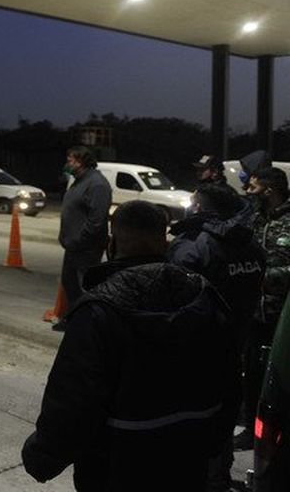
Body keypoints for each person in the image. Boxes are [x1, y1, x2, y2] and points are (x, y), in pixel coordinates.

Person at [22, 201, 239, 491]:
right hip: (187, 468)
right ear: (164, 243)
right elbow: (230, 384)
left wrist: (42, 456)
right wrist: (210, 444)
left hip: (114, 471)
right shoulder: (204, 297)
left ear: (111, 245)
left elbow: (72, 402)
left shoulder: (98, 310)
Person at [167, 182, 265, 489]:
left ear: (204, 210)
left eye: (194, 204)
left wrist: (184, 235)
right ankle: (218, 477)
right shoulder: (250, 245)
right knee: (222, 416)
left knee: (192, 418)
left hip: (197, 348)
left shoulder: (199, 245)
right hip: (234, 342)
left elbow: (177, 287)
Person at [240, 166, 290, 449]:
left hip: (283, 314)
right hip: (255, 312)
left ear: (270, 189)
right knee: (253, 373)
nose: (249, 192)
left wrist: (268, 278)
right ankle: (251, 430)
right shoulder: (255, 217)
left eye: (254, 188)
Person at [54, 146, 112, 329]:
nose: (67, 163)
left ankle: (86, 327)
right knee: (70, 284)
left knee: (83, 288)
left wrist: (79, 241)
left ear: (81, 161)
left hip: (86, 248)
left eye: (70, 160)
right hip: (73, 246)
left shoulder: (97, 184)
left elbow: (97, 220)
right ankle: (73, 321)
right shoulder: (78, 181)